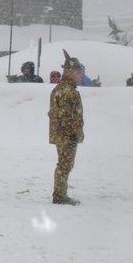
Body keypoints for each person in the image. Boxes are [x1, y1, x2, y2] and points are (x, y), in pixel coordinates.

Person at [49, 55, 85, 205]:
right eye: (78, 71)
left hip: (60, 134)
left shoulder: (58, 89)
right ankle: (59, 196)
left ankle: (60, 193)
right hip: (68, 135)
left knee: (63, 164)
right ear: (70, 72)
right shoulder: (71, 92)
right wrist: (77, 134)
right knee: (65, 165)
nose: (80, 75)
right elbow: (74, 117)